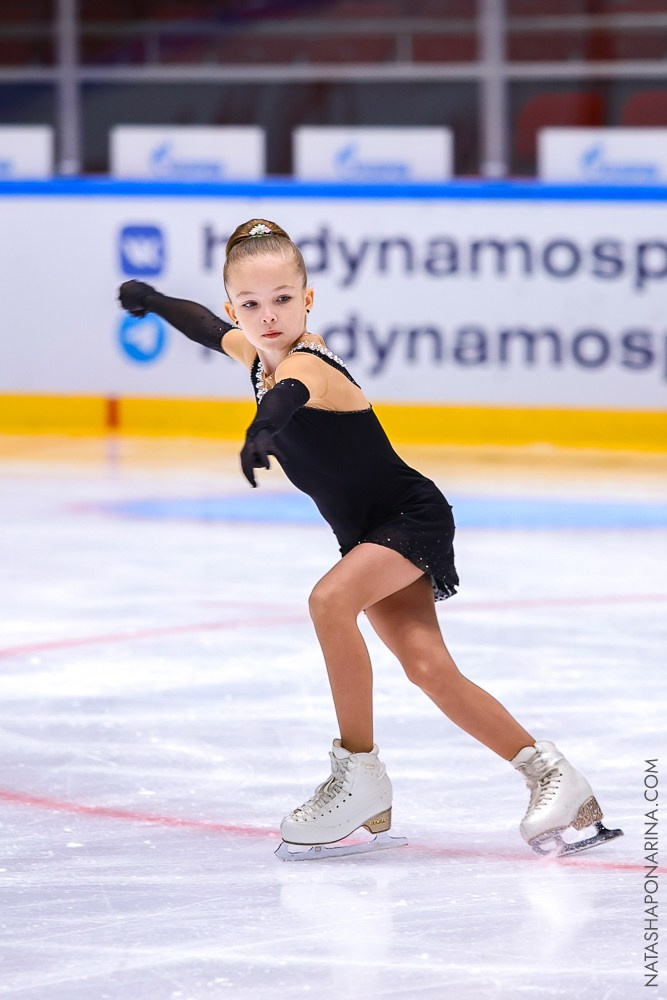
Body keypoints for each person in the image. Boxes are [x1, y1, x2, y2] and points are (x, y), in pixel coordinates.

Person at [118, 217, 622, 860]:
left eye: (281, 300)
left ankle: (360, 775)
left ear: (307, 299)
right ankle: (555, 778)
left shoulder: (305, 364)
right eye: (250, 304)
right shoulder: (255, 354)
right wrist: (156, 303)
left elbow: (290, 396)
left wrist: (260, 433)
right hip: (367, 532)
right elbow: (208, 331)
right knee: (429, 669)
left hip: (409, 517)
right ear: (234, 306)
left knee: (329, 603)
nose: (266, 316)